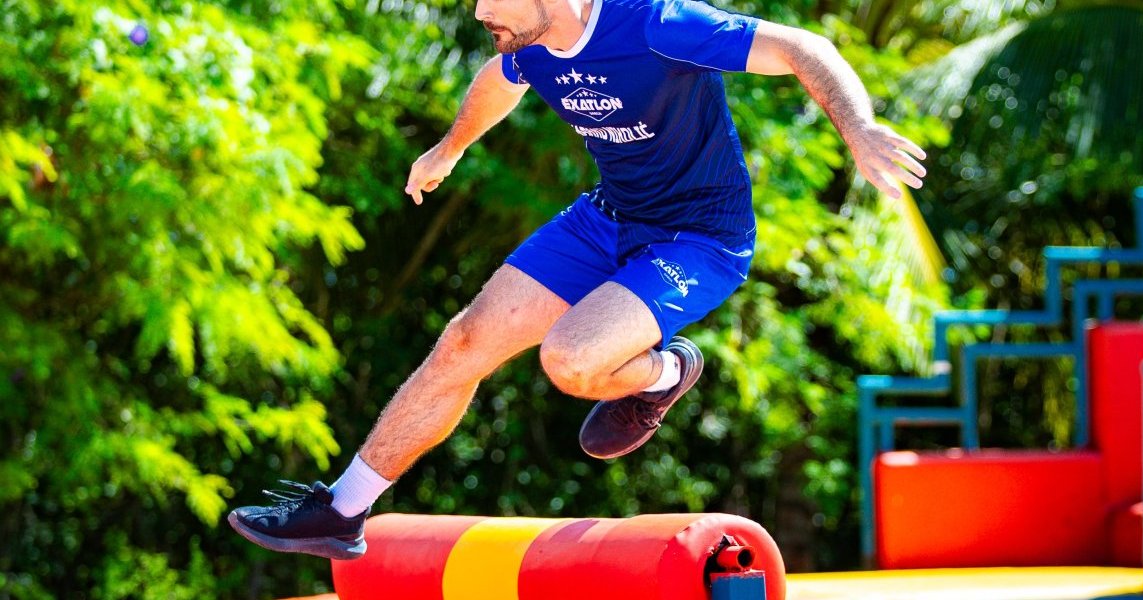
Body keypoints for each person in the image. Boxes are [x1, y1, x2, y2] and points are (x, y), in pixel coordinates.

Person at [228, 0, 927, 560]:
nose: (478, 12)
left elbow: (804, 47)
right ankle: (340, 511)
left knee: (571, 361)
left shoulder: (657, 24)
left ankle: (666, 372)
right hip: (607, 218)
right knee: (464, 342)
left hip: (698, 238)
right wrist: (449, 148)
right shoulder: (528, 41)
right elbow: (498, 82)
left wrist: (859, 128)